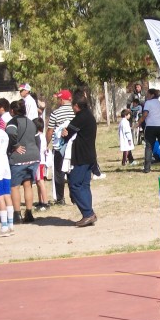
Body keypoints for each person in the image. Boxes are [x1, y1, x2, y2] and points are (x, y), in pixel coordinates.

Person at [62, 92, 98, 227]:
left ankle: (88, 213)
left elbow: (67, 133)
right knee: (84, 185)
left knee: (75, 185)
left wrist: (64, 133)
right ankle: (89, 214)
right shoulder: (89, 115)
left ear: (76, 106)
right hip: (89, 154)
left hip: (81, 155)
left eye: (73, 106)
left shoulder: (80, 117)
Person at [6, 99, 41, 224]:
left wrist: (15, 145)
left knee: (14, 187)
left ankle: (17, 215)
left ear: (12, 110)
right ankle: (29, 213)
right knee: (28, 185)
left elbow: (10, 131)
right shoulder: (31, 122)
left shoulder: (12, 122)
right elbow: (37, 139)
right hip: (33, 156)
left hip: (19, 159)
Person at [46, 89, 75, 205]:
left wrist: (47, 143)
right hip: (73, 147)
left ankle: (60, 198)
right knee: (72, 172)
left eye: (59, 98)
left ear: (62, 100)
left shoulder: (55, 113)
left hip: (59, 147)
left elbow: (50, 131)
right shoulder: (74, 112)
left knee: (59, 173)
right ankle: (74, 197)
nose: (58, 101)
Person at [33, 117, 51, 211]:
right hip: (40, 161)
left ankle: (45, 202)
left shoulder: (39, 137)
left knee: (41, 182)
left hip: (40, 162)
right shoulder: (41, 136)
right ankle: (40, 201)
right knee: (38, 182)